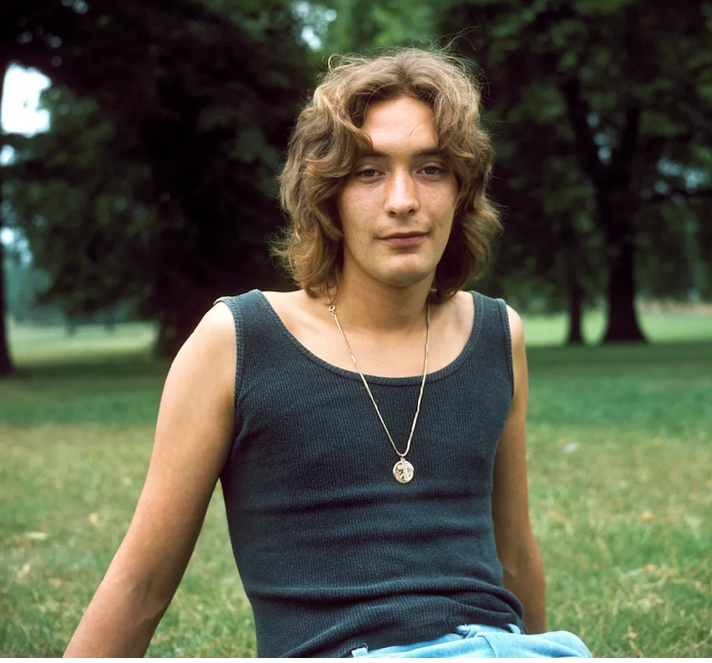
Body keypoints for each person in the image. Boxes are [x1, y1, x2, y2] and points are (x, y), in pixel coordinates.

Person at [65, 49, 592, 658]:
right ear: (328, 195)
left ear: (461, 190)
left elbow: (515, 555)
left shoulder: (498, 334)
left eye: (430, 169)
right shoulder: (238, 341)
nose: (402, 200)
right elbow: (141, 584)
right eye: (369, 172)